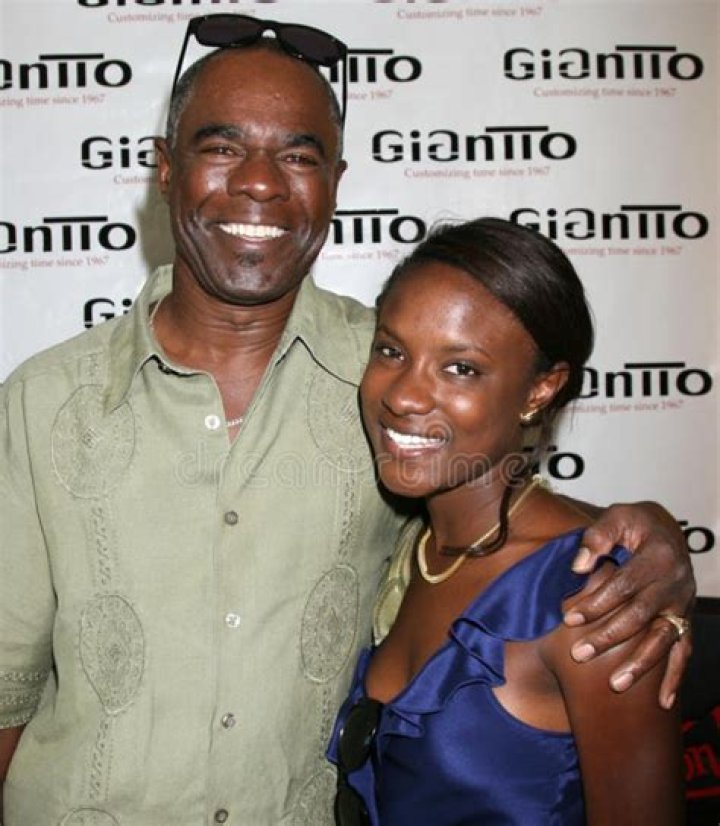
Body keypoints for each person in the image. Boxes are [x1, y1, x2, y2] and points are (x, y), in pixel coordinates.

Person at [0, 15, 693, 826]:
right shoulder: (46, 400)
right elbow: (6, 692)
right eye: (222, 147)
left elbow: (501, 507)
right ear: (163, 167)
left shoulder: (388, 375)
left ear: (336, 182)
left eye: (299, 156)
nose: (261, 183)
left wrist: (652, 543)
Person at [328, 217, 686, 825]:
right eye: (392, 351)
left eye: (460, 368)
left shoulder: (597, 600)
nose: (404, 396)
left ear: (540, 390)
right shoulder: (407, 550)